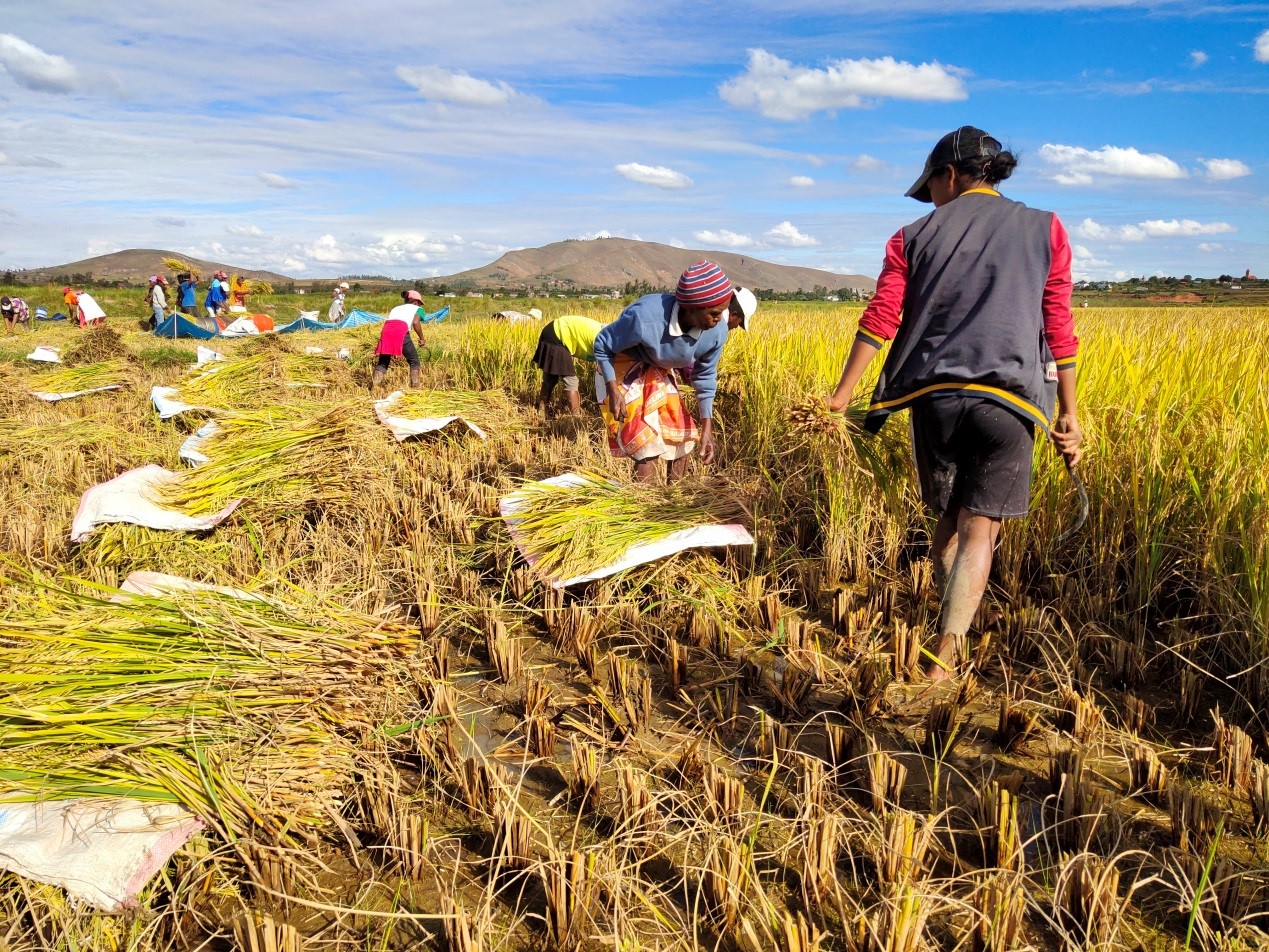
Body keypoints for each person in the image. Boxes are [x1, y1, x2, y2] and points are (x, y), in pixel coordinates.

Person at [824, 125, 1082, 682]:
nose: (931, 200)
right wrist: (1069, 413)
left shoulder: (911, 236)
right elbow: (1058, 323)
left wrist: (841, 398)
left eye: (931, 187)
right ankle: (946, 655)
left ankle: (947, 623)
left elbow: (881, 317)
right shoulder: (1047, 229)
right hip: (1008, 403)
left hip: (932, 401)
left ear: (949, 175)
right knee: (979, 530)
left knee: (948, 520)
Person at [592, 260, 735, 482]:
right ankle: (643, 503)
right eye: (714, 313)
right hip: (622, 361)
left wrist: (707, 426)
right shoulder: (645, 318)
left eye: (723, 312)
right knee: (646, 441)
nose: (719, 320)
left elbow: (705, 376)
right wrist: (613, 389)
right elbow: (603, 344)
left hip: (657, 365)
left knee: (681, 436)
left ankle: (673, 501)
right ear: (691, 307)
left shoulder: (716, 333)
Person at [533, 314, 603, 418]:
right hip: (557, 335)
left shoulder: (608, 335)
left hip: (553, 330)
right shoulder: (604, 341)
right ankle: (576, 418)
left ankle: (541, 411)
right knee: (571, 381)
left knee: (550, 379)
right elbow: (602, 371)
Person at [372, 289, 427, 390]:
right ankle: (415, 390)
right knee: (414, 361)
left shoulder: (396, 308)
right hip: (400, 331)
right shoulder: (418, 309)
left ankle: (374, 388)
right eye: (419, 303)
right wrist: (422, 339)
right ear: (415, 301)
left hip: (386, 332)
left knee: (383, 362)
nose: (420, 305)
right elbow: (415, 323)